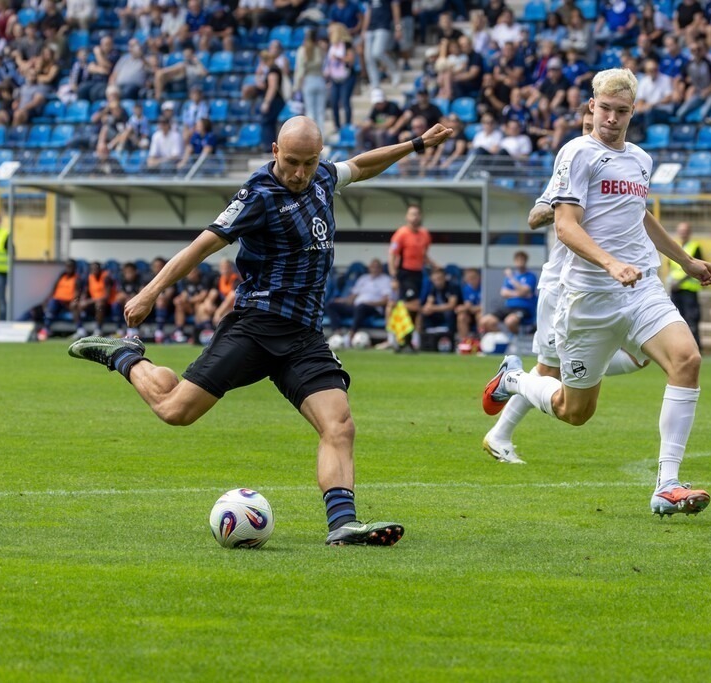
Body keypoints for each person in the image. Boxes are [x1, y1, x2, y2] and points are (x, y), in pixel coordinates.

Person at [67, 116, 453, 546]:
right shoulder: (257, 196)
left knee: (339, 424)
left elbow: (360, 166)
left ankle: (342, 524)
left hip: (305, 336)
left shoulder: (321, 177)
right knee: (176, 410)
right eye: (291, 162)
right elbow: (202, 245)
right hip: (256, 327)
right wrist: (150, 292)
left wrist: (416, 144)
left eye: (309, 162)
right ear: (274, 151)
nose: (300, 173)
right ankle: (123, 356)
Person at [481, 69, 711, 517]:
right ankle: (514, 380)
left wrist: (685, 261)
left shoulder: (641, 160)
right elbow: (565, 226)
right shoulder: (577, 152)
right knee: (575, 412)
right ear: (591, 106)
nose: (611, 118)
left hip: (641, 288)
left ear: (633, 111)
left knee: (686, 360)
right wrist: (610, 263)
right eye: (604, 108)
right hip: (589, 297)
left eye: (621, 111)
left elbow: (639, 215)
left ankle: (667, 484)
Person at [482, 108, 652, 465]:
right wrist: (565, 205)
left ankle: (503, 418)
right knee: (547, 370)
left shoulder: (620, 168)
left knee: (640, 357)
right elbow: (534, 217)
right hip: (563, 284)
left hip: (607, 286)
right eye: (589, 126)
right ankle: (501, 423)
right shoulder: (573, 168)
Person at [387, 204, 434, 351]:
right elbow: (392, 255)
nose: (414, 217)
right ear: (407, 217)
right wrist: (394, 277)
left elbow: (424, 255)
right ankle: (400, 339)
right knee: (410, 305)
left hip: (418, 274)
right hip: (405, 273)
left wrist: (435, 265)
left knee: (414, 308)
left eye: (417, 214)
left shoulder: (425, 234)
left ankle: (405, 342)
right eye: (412, 214)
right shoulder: (401, 234)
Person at [324, 258, 393, 341]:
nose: (374, 269)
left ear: (381, 268)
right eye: (372, 267)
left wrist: (369, 303)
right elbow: (353, 297)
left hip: (373, 308)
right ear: (369, 268)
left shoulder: (385, 280)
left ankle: (350, 335)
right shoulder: (364, 278)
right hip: (357, 306)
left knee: (361, 306)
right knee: (331, 305)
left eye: (377, 267)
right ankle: (337, 332)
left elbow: (386, 300)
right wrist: (342, 300)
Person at [478, 250, 537, 336]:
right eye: (517, 260)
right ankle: (504, 340)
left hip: (523, 309)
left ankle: (517, 342)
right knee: (485, 321)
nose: (520, 262)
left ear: (526, 261)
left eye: (522, 260)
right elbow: (503, 293)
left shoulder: (530, 276)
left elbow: (525, 291)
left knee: (510, 322)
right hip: (508, 307)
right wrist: (519, 293)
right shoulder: (512, 276)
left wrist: (511, 278)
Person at [667, 222, 703, 349]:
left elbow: (695, 267)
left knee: (691, 319)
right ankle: (679, 347)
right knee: (675, 320)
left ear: (689, 232)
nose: (683, 233)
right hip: (675, 290)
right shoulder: (674, 246)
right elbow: (670, 268)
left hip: (689, 289)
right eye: (681, 230)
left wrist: (679, 282)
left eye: (685, 230)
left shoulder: (695, 247)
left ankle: (695, 347)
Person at [37, 259, 81, 341]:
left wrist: (74, 302)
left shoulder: (77, 279)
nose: (69, 268)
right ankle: (45, 329)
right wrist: (46, 300)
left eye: (71, 266)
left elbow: (77, 294)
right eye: (67, 266)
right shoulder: (62, 277)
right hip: (57, 302)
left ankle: (80, 329)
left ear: (74, 268)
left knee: (54, 303)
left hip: (67, 303)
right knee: (41, 307)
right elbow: (53, 290)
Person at [73, 260, 115, 338]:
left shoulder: (106, 277)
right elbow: (86, 291)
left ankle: (98, 330)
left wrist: (88, 302)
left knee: (99, 304)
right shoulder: (90, 277)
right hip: (93, 304)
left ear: (100, 269)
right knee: (74, 304)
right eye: (92, 269)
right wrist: (83, 300)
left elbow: (106, 296)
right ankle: (80, 330)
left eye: (96, 269)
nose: (94, 271)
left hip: (107, 306)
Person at [112, 261, 145, 337]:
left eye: (130, 272)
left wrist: (132, 299)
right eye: (126, 272)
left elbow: (142, 293)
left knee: (133, 304)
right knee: (116, 304)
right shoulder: (121, 279)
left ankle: (133, 329)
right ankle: (119, 329)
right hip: (125, 302)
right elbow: (119, 295)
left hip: (138, 304)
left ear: (135, 272)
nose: (128, 274)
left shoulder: (140, 279)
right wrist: (128, 298)